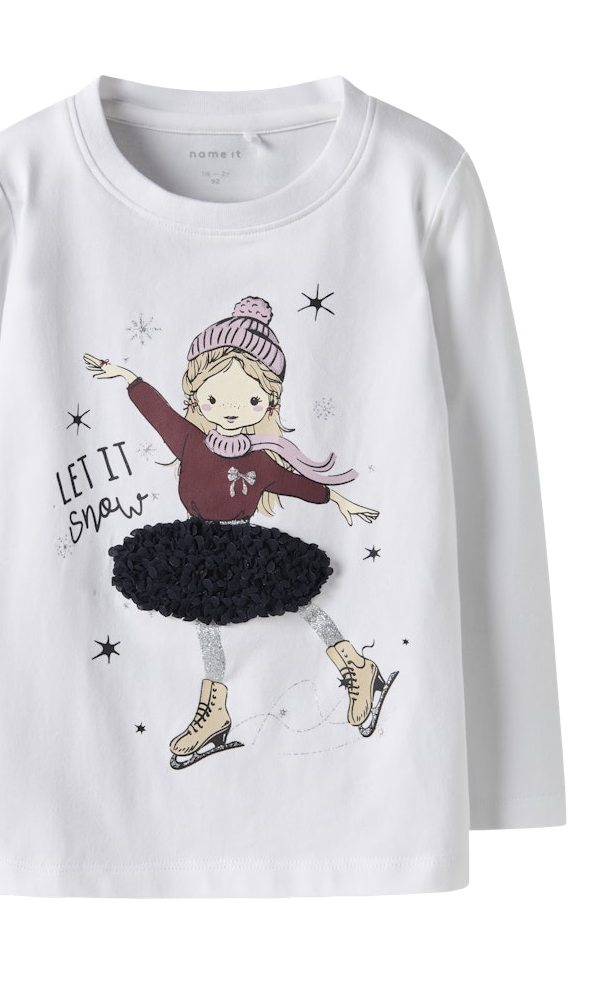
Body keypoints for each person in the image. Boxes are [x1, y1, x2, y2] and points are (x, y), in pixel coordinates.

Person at [83, 296, 398, 768]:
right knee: (206, 621)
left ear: (269, 402)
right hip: (196, 544)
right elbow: (158, 413)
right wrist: (128, 377)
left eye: (251, 400)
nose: (230, 410)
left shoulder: (260, 460)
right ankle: (215, 710)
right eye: (215, 398)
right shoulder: (189, 439)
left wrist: (340, 501)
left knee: (298, 603)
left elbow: (300, 484)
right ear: (197, 395)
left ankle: (357, 666)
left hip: (245, 545)